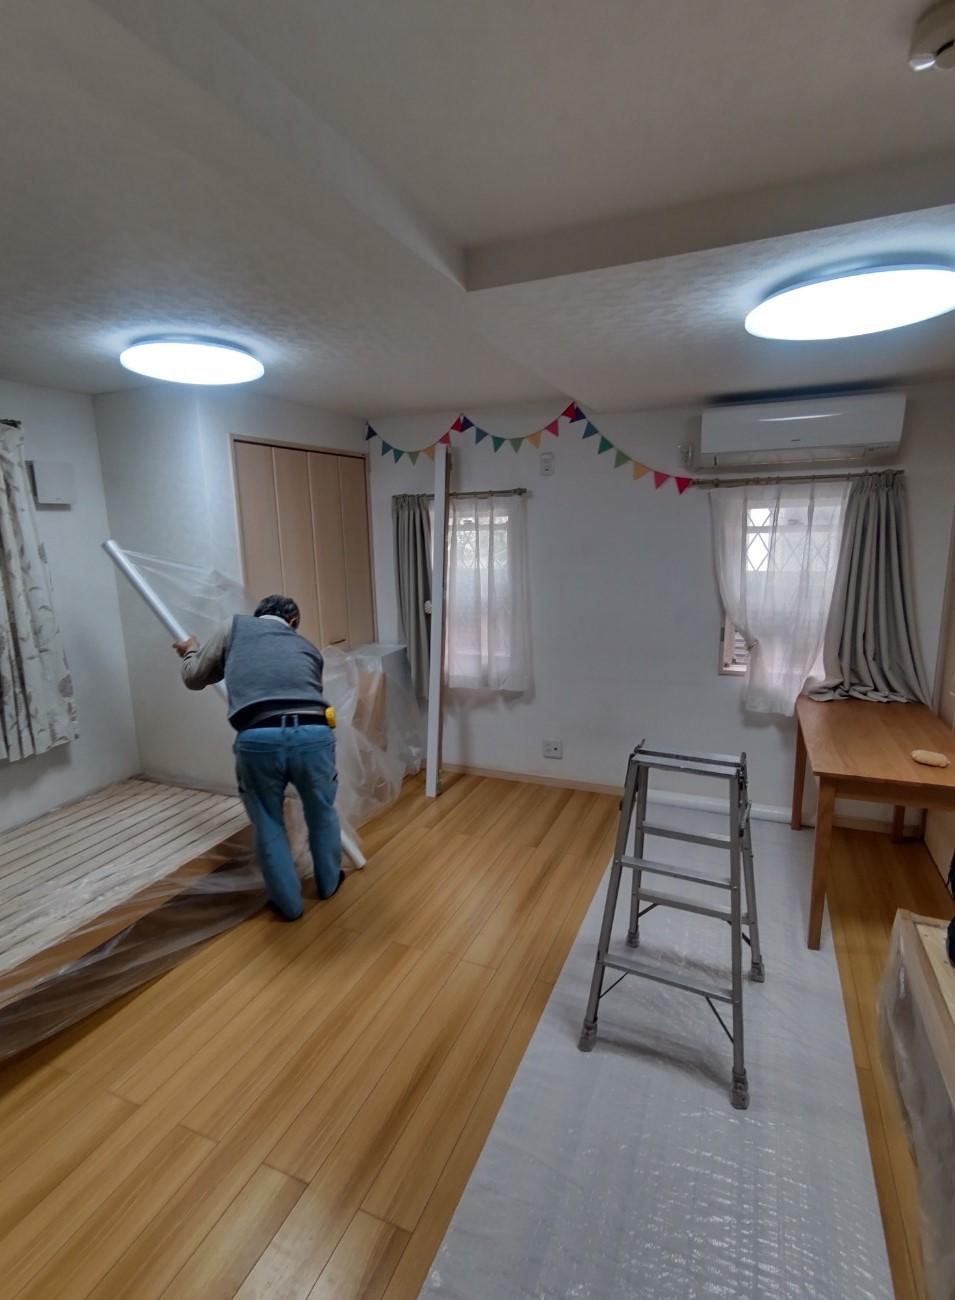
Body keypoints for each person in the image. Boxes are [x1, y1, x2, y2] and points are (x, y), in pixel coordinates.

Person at [173, 594, 342, 920]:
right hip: (314, 735)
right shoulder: (308, 648)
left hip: (259, 739)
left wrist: (191, 649)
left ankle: (289, 906)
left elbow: (195, 677)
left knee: (268, 821)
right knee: (322, 812)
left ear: (258, 615)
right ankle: (329, 884)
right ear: (293, 623)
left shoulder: (234, 628)